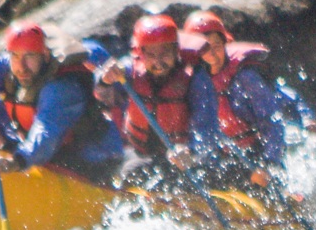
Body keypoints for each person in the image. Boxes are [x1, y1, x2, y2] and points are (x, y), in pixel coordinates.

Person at [0, 18, 127, 185]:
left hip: (94, 161)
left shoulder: (62, 88)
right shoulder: (9, 67)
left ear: (45, 55)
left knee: (33, 158)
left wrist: (16, 162)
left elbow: (45, 136)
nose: (21, 66)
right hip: (51, 155)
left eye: (30, 56)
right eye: (15, 56)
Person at [95, 14, 221, 188]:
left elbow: (207, 127)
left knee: (183, 181)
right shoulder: (128, 70)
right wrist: (104, 80)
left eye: (165, 53)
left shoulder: (195, 77)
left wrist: (191, 152)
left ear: (176, 50)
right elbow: (103, 97)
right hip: (141, 154)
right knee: (128, 176)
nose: (158, 62)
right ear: (141, 53)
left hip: (184, 158)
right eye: (151, 55)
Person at [181, 10, 286, 192]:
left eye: (216, 44)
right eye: (205, 48)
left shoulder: (245, 77)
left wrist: (268, 163)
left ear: (225, 42)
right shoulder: (192, 81)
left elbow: (272, 121)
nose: (212, 52)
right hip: (219, 156)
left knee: (263, 188)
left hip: (256, 153)